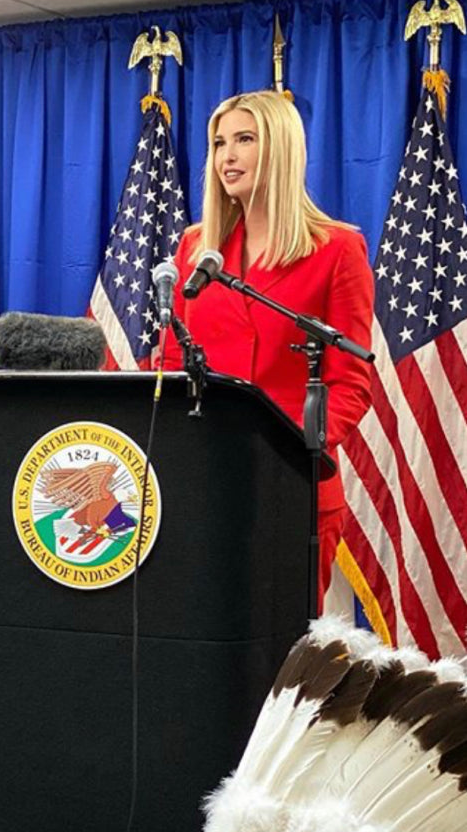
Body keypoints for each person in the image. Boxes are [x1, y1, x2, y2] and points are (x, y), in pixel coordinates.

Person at [162, 90, 374, 607]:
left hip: (290, 493)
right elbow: (170, 361)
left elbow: (351, 383)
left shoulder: (337, 249)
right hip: (203, 487)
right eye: (218, 143)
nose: (226, 156)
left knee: (276, 664)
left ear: (279, 148)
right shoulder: (195, 248)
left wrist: (290, 448)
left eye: (244, 139)